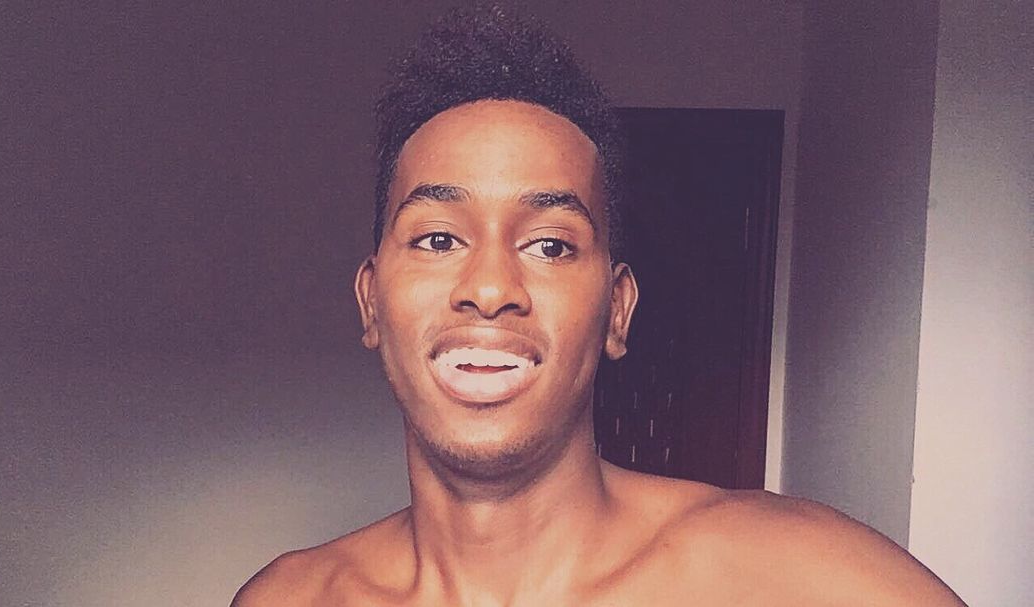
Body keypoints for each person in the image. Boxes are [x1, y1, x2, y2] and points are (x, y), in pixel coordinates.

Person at [233, 6, 965, 605]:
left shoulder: (795, 576)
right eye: (437, 238)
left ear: (617, 308)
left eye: (551, 245)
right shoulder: (289, 598)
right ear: (371, 301)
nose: (489, 289)